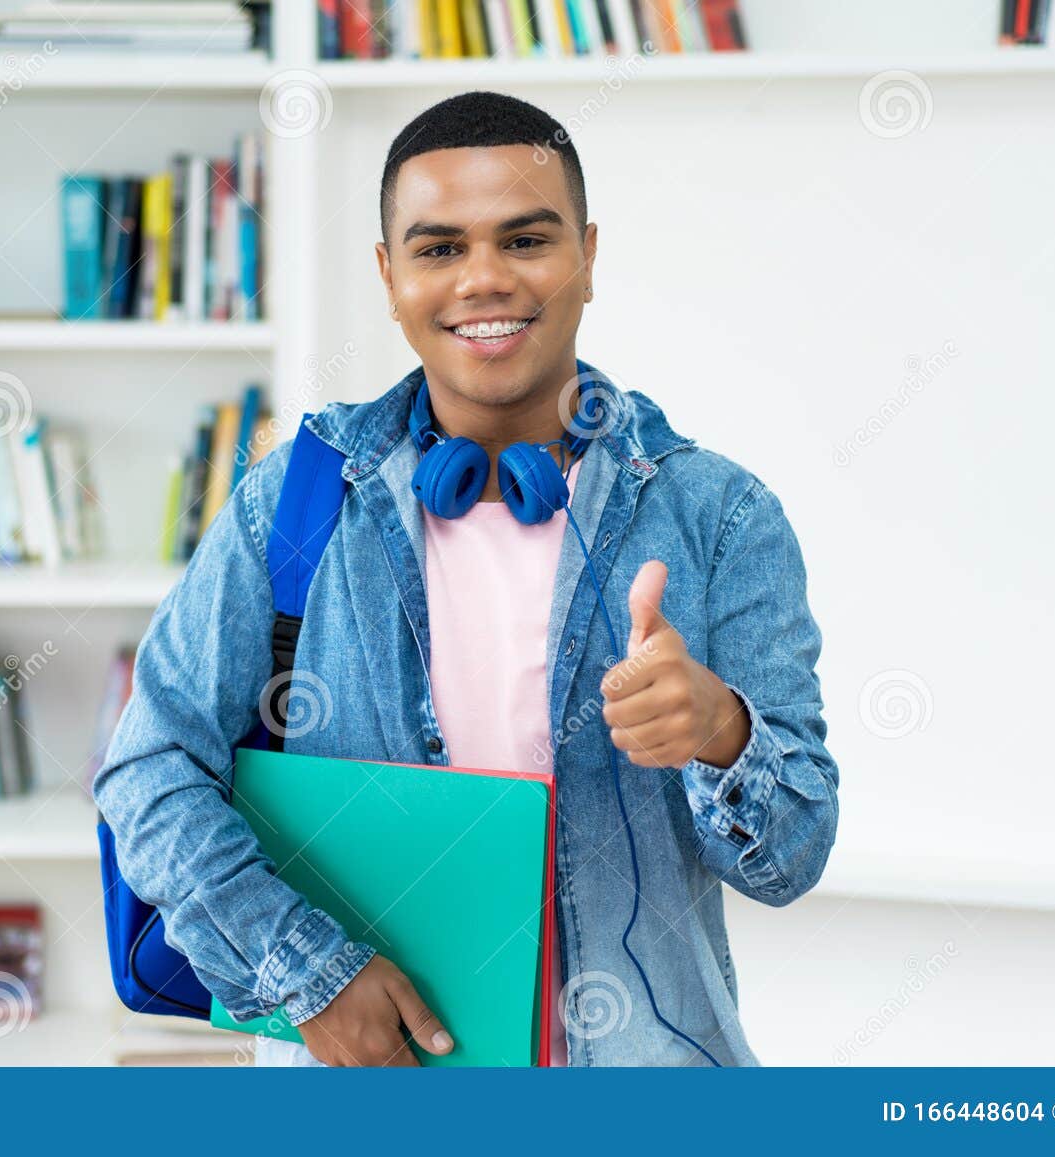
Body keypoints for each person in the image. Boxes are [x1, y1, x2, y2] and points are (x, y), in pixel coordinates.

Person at [93, 90, 840, 1067]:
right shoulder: (295, 496)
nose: (483, 278)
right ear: (389, 275)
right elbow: (149, 770)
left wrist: (719, 730)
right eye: (440, 248)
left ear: (587, 256)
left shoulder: (720, 513)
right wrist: (310, 973)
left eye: (525, 239)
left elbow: (792, 856)